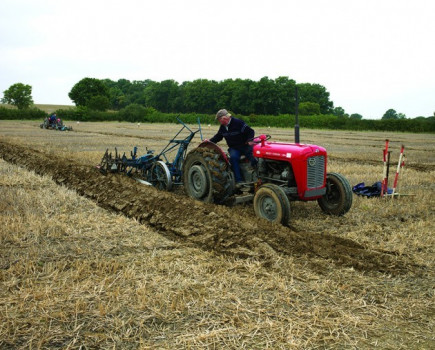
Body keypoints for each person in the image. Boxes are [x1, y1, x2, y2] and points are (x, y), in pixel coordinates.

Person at [209, 109, 257, 184]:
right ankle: (239, 181)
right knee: (233, 158)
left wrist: (250, 140)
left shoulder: (238, 122)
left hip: (244, 145)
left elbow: (250, 131)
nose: (219, 122)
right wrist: (209, 142)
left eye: (219, 120)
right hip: (234, 148)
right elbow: (218, 137)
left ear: (224, 118)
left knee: (253, 157)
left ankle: (257, 177)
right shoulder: (223, 127)